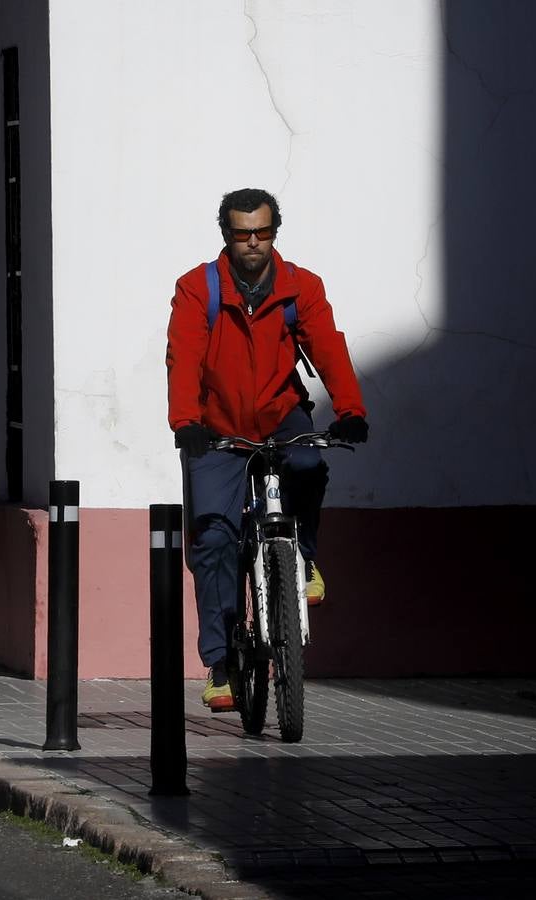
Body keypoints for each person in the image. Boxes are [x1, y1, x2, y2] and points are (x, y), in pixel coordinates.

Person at [165, 188, 369, 711]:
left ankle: (300, 560)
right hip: (217, 430)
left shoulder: (301, 287)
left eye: (262, 232)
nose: (253, 242)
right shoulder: (197, 289)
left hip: (280, 415)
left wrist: (350, 409)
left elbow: (327, 346)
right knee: (213, 540)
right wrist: (186, 422)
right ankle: (219, 664)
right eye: (241, 233)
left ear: (275, 231)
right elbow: (183, 358)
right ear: (226, 235)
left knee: (308, 463)